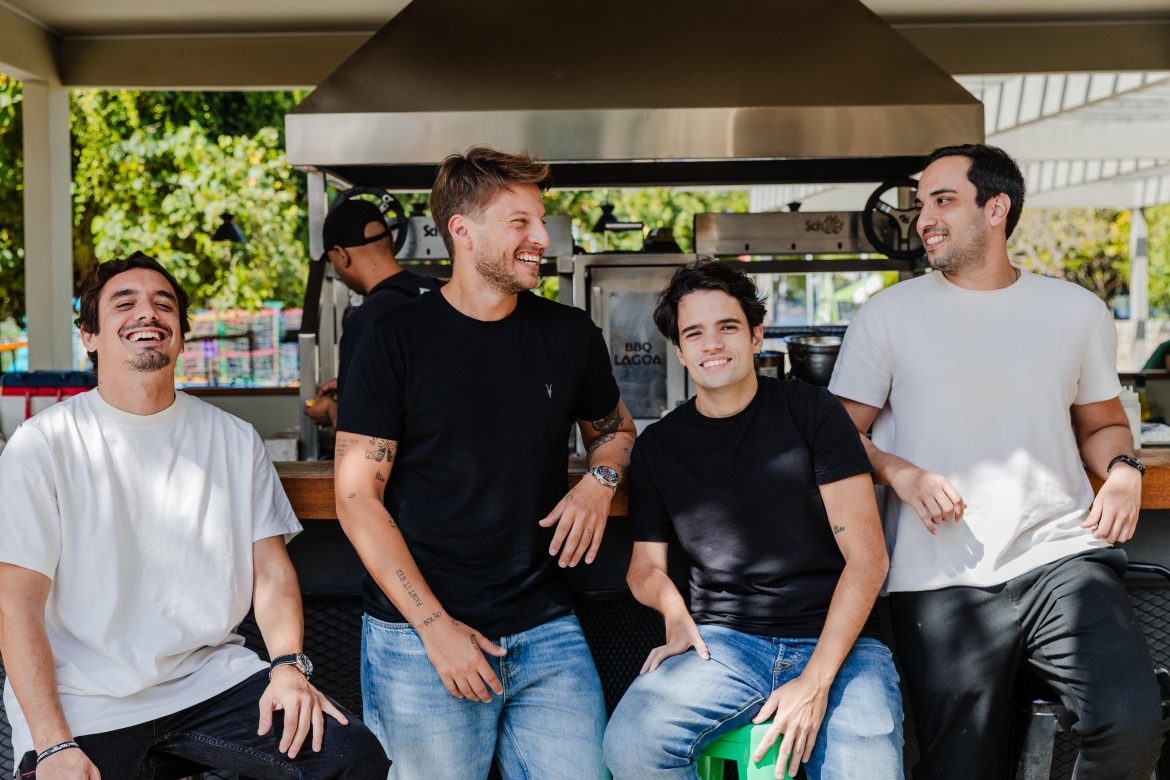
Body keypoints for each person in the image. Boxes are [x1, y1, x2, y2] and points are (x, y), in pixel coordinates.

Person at [830, 144, 1163, 779]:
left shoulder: (1077, 312)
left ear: (997, 208)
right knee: (961, 768)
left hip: (1061, 557)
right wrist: (901, 471)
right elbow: (839, 437)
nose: (923, 217)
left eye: (943, 200)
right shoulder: (887, 316)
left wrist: (1123, 469)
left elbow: (1102, 423)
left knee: (1131, 724)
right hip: (939, 577)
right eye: (921, 203)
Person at [0, 252, 389, 779]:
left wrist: (289, 667)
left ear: (181, 336)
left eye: (164, 305)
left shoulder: (233, 439)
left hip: (211, 681)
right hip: (84, 698)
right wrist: (51, 744)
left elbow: (271, 571)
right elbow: (16, 603)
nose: (148, 313)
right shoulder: (42, 445)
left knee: (350, 758)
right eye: (124, 303)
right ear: (89, 336)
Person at [333, 146, 635, 779]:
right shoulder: (394, 337)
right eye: (519, 222)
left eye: (541, 220)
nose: (542, 238)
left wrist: (599, 482)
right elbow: (357, 496)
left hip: (545, 625)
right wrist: (436, 628)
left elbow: (615, 431)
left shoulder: (569, 333)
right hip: (421, 636)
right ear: (462, 232)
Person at [602, 261, 903, 780]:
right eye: (694, 333)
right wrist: (675, 613)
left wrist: (815, 680)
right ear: (680, 351)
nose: (711, 344)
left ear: (756, 335)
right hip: (723, 643)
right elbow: (644, 569)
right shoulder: (660, 447)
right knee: (631, 746)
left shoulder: (812, 412)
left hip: (839, 640)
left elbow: (868, 559)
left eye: (728, 327)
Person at [304, 198, 442, 428]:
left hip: (411, 461)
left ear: (341, 255)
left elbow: (357, 430)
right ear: (390, 240)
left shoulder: (368, 319)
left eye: (333, 262)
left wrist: (331, 410)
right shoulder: (441, 292)